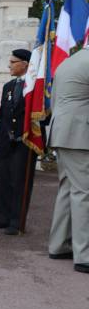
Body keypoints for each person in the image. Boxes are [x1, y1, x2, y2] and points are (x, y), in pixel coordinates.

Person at [47, 48, 89, 274]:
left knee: (67, 188)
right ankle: (84, 255)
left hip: (63, 131)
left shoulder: (68, 62)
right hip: (79, 134)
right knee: (84, 193)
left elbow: (54, 101)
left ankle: (59, 244)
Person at [0, 49, 36, 235]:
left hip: (24, 142)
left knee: (19, 182)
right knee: (2, 180)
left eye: (13, 62)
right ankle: (2, 217)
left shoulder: (34, 88)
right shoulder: (8, 86)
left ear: (25, 64)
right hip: (5, 141)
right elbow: (2, 115)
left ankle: (16, 221)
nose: (9, 65)